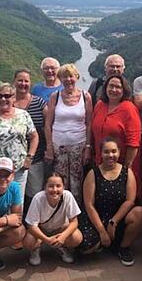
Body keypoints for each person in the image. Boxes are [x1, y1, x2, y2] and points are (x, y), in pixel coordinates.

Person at [78, 139, 142, 266]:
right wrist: (102, 231)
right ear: (101, 153)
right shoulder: (93, 173)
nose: (110, 155)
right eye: (106, 152)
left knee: (139, 213)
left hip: (119, 219)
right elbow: (89, 205)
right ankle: (104, 241)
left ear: (119, 152)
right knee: (85, 249)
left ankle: (123, 247)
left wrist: (113, 222)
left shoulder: (127, 172)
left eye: (114, 151)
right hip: (98, 218)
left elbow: (130, 201)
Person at [44, 64, 93, 199]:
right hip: (58, 145)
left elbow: (89, 124)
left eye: (71, 76)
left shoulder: (85, 96)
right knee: (60, 180)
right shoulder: (55, 96)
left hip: (79, 145)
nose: (68, 79)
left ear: (76, 77)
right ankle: (60, 208)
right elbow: (48, 124)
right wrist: (49, 147)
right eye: (64, 76)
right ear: (60, 78)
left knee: (77, 179)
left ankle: (76, 212)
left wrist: (88, 147)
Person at [90, 76, 142, 198]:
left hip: (121, 163)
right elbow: (93, 130)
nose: (114, 89)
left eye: (118, 87)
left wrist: (125, 169)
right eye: (111, 86)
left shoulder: (129, 109)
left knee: (121, 196)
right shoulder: (100, 105)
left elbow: (134, 142)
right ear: (105, 88)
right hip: (101, 162)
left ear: (124, 90)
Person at [24, 172, 83, 266]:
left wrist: (63, 237)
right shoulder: (38, 198)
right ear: (45, 187)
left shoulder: (68, 196)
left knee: (76, 237)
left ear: (63, 187)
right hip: (41, 230)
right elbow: (31, 226)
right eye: (51, 186)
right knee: (28, 241)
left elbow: (74, 222)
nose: (55, 190)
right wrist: (46, 239)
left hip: (60, 229)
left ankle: (60, 246)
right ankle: (36, 249)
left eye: (58, 186)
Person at [12, 69, 47, 207]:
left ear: (30, 83)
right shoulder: (7, 102)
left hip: (36, 157)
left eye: (26, 81)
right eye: (20, 80)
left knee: (35, 194)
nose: (23, 83)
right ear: (14, 81)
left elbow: (49, 126)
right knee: (14, 195)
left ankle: (31, 223)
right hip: (12, 159)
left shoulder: (39, 103)